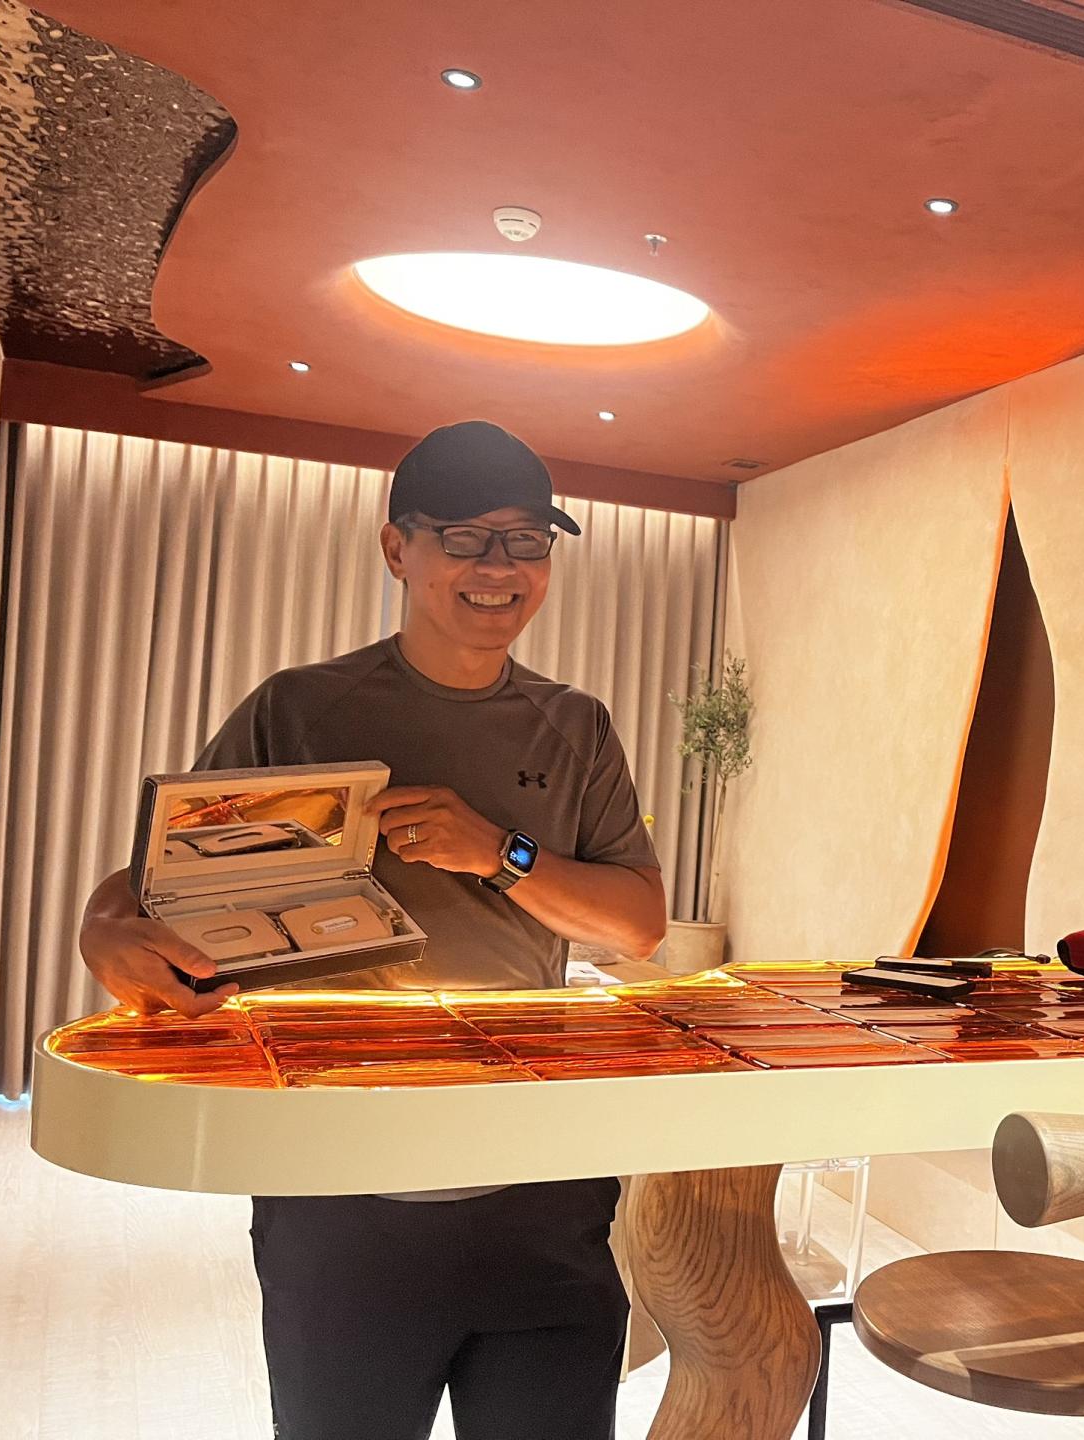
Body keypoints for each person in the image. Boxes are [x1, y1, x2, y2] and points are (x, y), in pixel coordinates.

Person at [76, 419, 668, 1440]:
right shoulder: (302, 710)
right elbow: (153, 885)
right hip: (337, 1181)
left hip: (539, 1178)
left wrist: (500, 852)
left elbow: (639, 925)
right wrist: (102, 933)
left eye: (527, 541)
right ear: (398, 548)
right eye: (465, 538)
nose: (500, 567)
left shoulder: (576, 726)